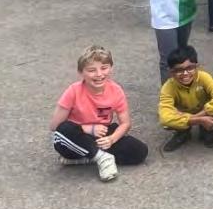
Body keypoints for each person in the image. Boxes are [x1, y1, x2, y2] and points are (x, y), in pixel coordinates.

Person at [49, 45, 148, 182]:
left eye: (104, 68)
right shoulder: (73, 91)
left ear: (111, 68)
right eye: (91, 70)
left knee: (140, 151)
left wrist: (112, 139)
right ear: (81, 72)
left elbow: (125, 123)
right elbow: (55, 126)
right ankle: (102, 158)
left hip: (101, 135)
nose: (99, 74)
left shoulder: (116, 90)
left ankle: (89, 158)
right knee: (64, 130)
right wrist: (87, 128)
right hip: (76, 137)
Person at [158, 45, 213, 151]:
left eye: (189, 68)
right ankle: (183, 132)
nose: (185, 73)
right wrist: (198, 120)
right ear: (171, 72)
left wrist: (197, 116)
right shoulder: (167, 87)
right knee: (167, 122)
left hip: (202, 111)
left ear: (197, 66)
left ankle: (205, 130)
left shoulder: (204, 77)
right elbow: (165, 117)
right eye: (179, 70)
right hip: (184, 113)